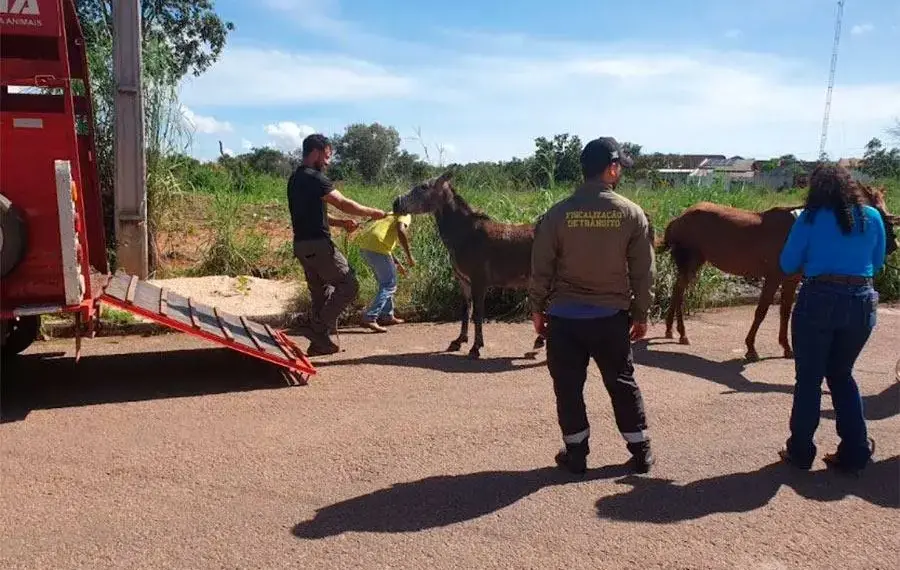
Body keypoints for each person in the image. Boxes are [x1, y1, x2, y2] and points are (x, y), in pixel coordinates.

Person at [528, 137, 656, 475]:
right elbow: (643, 271)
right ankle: (640, 451)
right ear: (612, 169)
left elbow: (541, 266)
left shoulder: (557, 213)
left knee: (568, 388)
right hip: (611, 318)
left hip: (565, 320)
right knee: (621, 383)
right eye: (619, 168)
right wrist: (641, 312)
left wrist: (538, 307)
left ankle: (577, 455)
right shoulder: (631, 214)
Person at [777, 165, 885, 474]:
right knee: (841, 375)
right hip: (861, 302)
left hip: (819, 299)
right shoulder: (873, 217)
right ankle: (855, 451)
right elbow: (875, 263)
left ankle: (800, 452)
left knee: (809, 379)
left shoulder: (809, 217)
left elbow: (787, 263)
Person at [288, 133, 386, 355]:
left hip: (301, 247)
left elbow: (311, 214)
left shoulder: (295, 179)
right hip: (319, 246)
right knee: (349, 285)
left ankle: (320, 343)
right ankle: (317, 328)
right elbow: (343, 202)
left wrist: (341, 223)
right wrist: (374, 212)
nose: (328, 161)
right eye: (326, 155)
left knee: (320, 295)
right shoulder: (316, 178)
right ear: (315, 152)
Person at [354, 210, 416, 332]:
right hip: (378, 248)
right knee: (389, 284)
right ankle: (370, 317)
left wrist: (397, 263)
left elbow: (380, 238)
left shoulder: (389, 214)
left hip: (366, 247)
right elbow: (401, 231)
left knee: (385, 283)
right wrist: (409, 256)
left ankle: (387, 315)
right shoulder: (405, 215)